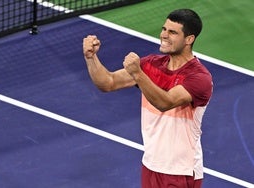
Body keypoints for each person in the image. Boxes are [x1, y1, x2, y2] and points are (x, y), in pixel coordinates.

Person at [82, 8, 213, 188]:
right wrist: (91, 58)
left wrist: (138, 73)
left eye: (172, 32)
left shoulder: (198, 77)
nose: (164, 35)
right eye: (164, 29)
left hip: (180, 171)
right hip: (151, 164)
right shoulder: (151, 64)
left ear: (189, 39)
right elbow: (108, 82)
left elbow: (165, 102)